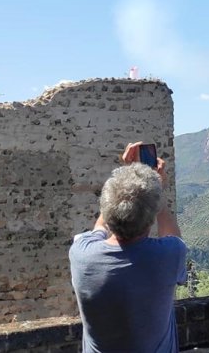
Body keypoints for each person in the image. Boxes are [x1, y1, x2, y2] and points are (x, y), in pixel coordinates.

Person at [69, 142, 187, 353]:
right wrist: (156, 191)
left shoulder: (81, 255)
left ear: (106, 207)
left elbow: (100, 226)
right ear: (150, 219)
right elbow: (173, 237)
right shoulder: (166, 257)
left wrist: (123, 182)